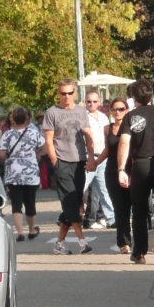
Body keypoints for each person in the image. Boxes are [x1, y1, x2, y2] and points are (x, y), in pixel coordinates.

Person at [43, 78, 96, 255]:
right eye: (63, 93)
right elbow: (49, 141)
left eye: (70, 93)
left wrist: (90, 157)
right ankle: (82, 241)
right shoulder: (52, 112)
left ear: (75, 93)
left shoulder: (81, 111)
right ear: (58, 93)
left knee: (74, 201)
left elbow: (87, 136)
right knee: (70, 201)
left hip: (79, 160)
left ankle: (59, 244)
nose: (66, 96)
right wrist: (55, 162)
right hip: (62, 160)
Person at [116, 79, 154, 264]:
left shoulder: (131, 117)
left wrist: (121, 169)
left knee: (139, 211)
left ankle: (139, 252)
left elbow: (124, 143)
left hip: (139, 164)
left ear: (133, 98)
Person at [0, 106, 45, 241]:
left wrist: (10, 156)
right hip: (31, 172)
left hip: (13, 172)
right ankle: (31, 229)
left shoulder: (7, 134)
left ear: (13, 119)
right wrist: (36, 154)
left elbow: (0, 154)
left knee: (16, 203)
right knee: (30, 201)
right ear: (27, 118)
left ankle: (19, 232)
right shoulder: (34, 133)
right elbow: (44, 148)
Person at [94, 97, 131, 254]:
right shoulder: (107, 128)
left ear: (127, 110)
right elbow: (108, 149)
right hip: (111, 171)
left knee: (131, 206)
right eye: (115, 109)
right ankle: (124, 242)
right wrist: (95, 163)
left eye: (121, 109)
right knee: (119, 207)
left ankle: (135, 238)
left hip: (129, 170)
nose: (117, 112)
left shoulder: (131, 127)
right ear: (110, 111)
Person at [82, 91, 115, 229]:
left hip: (102, 156)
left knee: (105, 189)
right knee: (80, 188)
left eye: (95, 101)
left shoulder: (103, 117)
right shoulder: (82, 116)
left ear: (99, 102)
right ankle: (67, 216)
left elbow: (107, 137)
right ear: (85, 102)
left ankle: (112, 218)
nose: (92, 104)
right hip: (88, 157)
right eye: (89, 101)